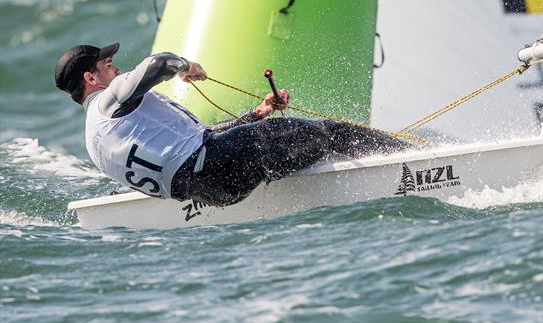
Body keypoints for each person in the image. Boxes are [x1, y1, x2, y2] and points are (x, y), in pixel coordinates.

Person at [54, 43, 410, 207]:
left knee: (302, 147)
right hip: (223, 161)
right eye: (108, 64)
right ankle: (420, 158)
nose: (115, 67)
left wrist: (257, 115)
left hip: (212, 193)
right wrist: (185, 65)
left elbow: (193, 147)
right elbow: (158, 62)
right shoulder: (108, 100)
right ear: (91, 78)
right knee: (328, 133)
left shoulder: (94, 140)